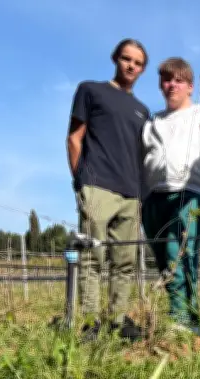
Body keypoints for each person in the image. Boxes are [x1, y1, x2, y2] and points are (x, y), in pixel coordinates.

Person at [66, 38, 151, 342]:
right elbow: (75, 138)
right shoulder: (91, 90)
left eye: (138, 63)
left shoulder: (143, 110)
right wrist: (81, 181)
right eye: (126, 59)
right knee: (92, 257)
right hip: (98, 186)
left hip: (131, 193)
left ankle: (117, 319)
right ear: (116, 59)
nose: (131, 66)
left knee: (125, 260)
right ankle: (90, 322)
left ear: (143, 69)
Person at [141, 57, 200, 336]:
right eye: (166, 80)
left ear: (190, 86)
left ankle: (181, 320)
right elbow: (143, 158)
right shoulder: (153, 122)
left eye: (178, 80)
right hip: (155, 197)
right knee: (165, 261)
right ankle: (190, 321)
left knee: (177, 255)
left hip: (191, 194)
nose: (171, 85)